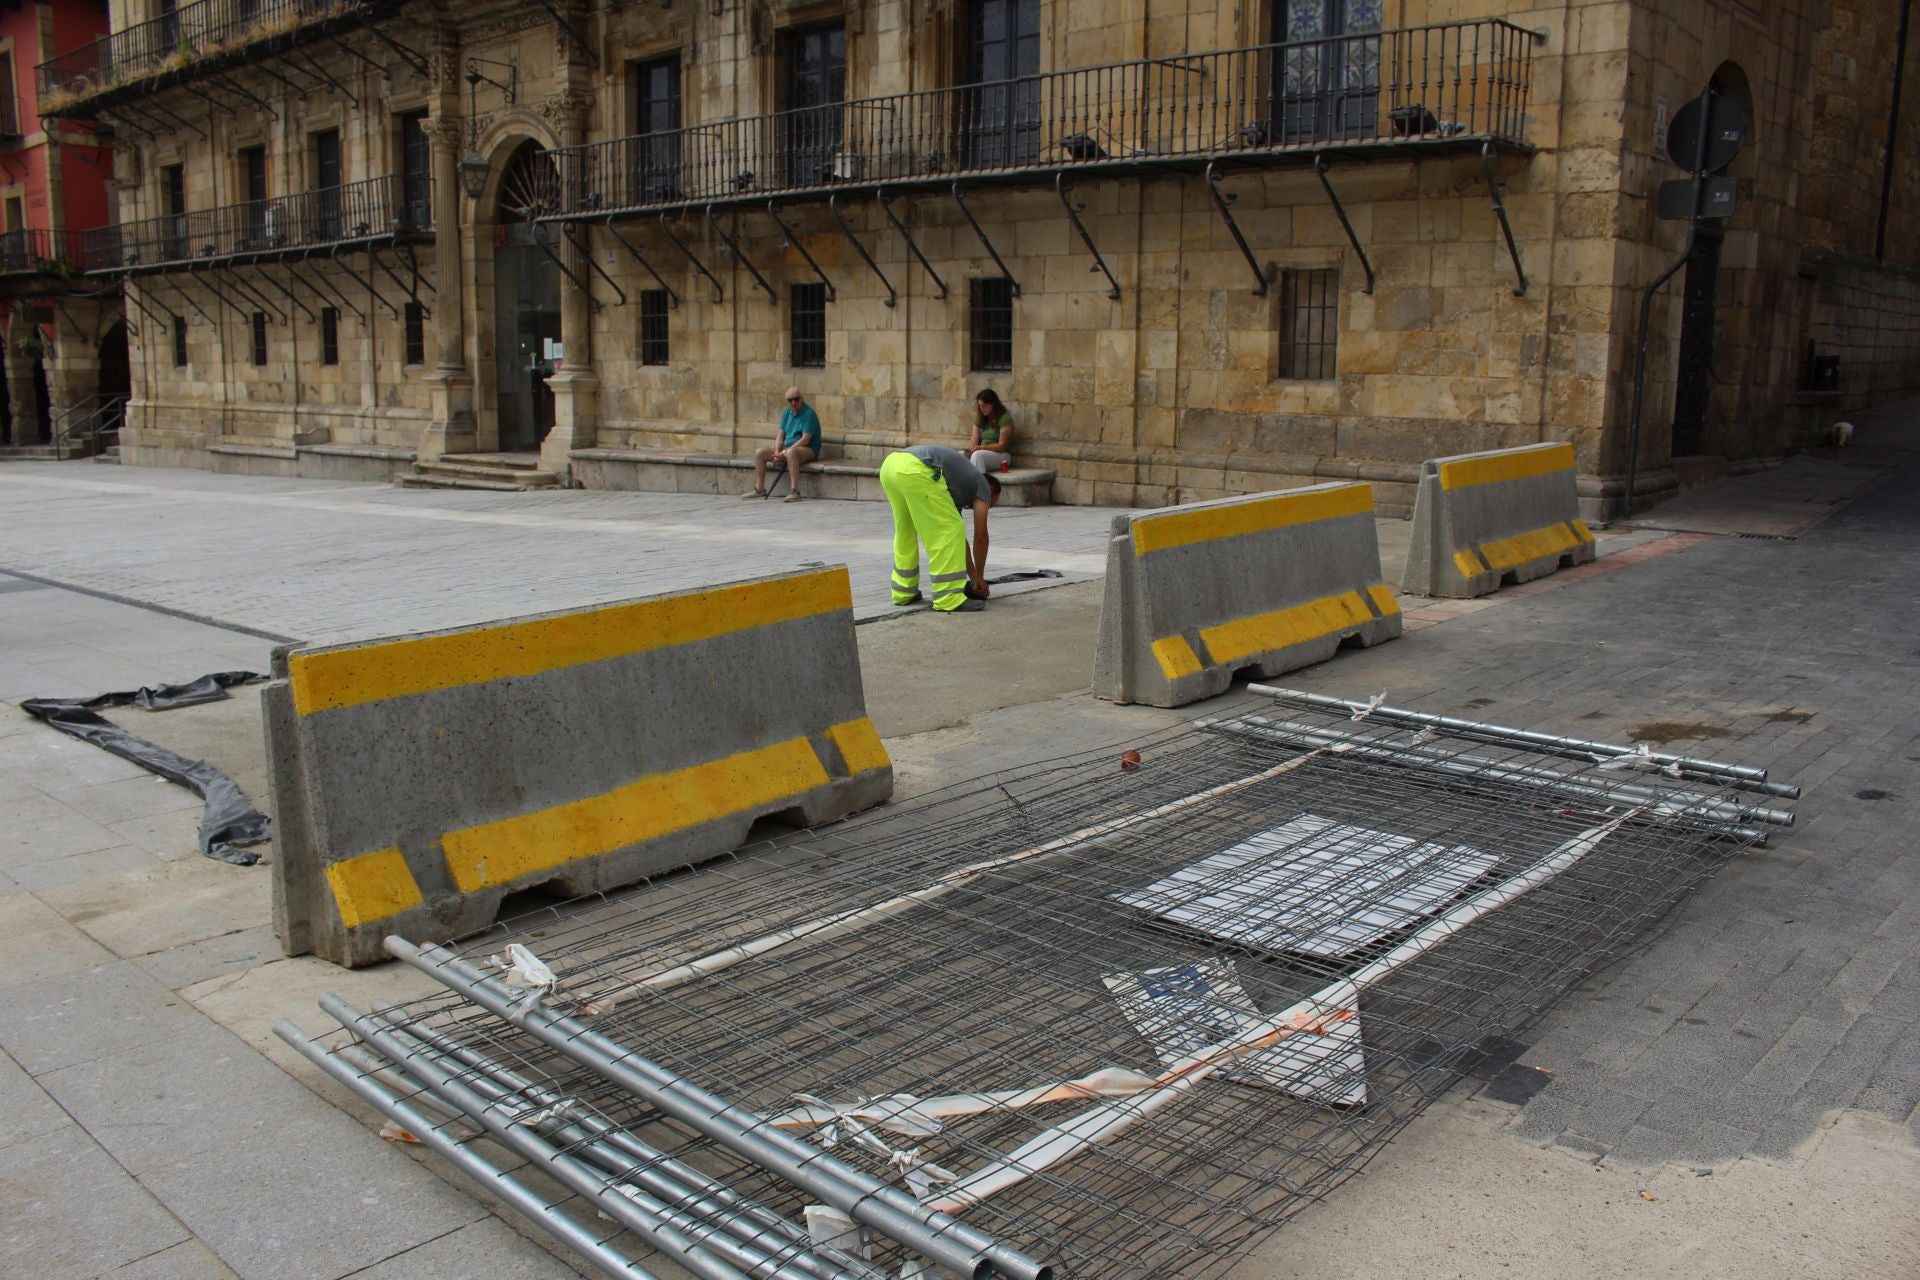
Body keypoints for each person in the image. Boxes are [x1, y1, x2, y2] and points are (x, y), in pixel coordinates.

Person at [880, 444, 1000, 613]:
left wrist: (974, 579)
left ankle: (903, 591)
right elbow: (980, 537)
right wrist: (979, 577)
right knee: (949, 529)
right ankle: (948, 598)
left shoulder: (957, 486)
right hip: (916, 468)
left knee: (906, 530)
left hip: (891, 465)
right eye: (992, 502)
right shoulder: (982, 485)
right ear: (991, 490)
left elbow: (959, 541)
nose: (988, 505)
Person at [743, 387, 821, 502]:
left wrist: (784, 452)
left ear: (802, 399)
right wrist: (776, 452)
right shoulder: (787, 413)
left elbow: (805, 440)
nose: (793, 402)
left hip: (807, 449)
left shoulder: (809, 414)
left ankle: (795, 491)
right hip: (788, 448)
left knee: (791, 452)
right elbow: (780, 435)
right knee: (760, 452)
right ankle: (759, 489)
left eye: (796, 399)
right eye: (790, 400)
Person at [965, 388, 1015, 475]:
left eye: (984, 405)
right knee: (958, 456)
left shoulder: (1005, 418)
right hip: (981, 451)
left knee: (977, 456)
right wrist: (969, 450)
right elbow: (973, 440)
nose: (981, 408)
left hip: (1001, 455)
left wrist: (981, 447)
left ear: (993, 404)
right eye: (980, 406)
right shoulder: (980, 417)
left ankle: (981, 485)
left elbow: (1001, 446)